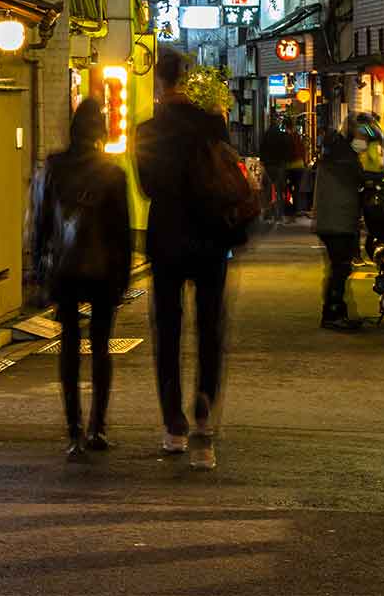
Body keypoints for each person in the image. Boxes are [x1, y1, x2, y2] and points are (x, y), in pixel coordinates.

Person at [136, 48, 238, 471]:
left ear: (158, 82)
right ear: (186, 77)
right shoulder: (211, 122)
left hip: (167, 237)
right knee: (210, 325)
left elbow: (145, 188)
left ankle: (174, 426)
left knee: (169, 329)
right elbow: (230, 171)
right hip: (211, 235)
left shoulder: (147, 130)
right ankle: (204, 410)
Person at [32, 98, 131, 459]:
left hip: (66, 268)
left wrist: (38, 269)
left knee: (70, 347)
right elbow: (122, 232)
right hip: (103, 271)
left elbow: (40, 220)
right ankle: (97, 427)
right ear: (100, 132)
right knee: (101, 347)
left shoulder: (54, 167)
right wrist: (122, 277)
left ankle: (73, 431)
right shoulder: (113, 173)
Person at [313, 121, 363, 328]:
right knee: (340, 268)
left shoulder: (334, 152)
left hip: (331, 220)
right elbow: (360, 177)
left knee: (338, 267)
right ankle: (332, 314)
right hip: (338, 221)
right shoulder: (344, 157)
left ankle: (336, 310)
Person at [259, 118, 291, 221]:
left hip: (268, 165)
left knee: (267, 190)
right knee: (279, 191)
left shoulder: (266, 135)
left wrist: (263, 161)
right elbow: (286, 149)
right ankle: (279, 215)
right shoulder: (281, 136)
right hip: (279, 165)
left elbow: (262, 149)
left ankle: (267, 213)